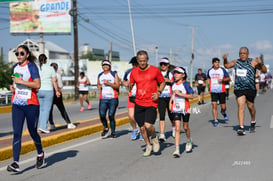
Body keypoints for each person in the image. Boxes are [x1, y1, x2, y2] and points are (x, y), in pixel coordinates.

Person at [7, 45, 45, 173]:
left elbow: (37, 84)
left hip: (31, 105)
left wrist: (21, 82)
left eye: (21, 53)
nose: (19, 56)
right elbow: (15, 83)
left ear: (27, 55)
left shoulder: (31, 67)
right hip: (17, 104)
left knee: (32, 131)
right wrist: (13, 87)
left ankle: (40, 153)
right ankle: (16, 163)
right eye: (17, 53)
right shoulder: (15, 67)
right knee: (17, 133)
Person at [223, 47, 267, 135]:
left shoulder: (253, 62)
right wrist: (225, 59)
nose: (242, 55)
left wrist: (261, 63)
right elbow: (226, 66)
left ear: (248, 54)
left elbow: (264, 71)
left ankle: (253, 121)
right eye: (240, 53)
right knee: (241, 105)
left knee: (250, 107)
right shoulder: (236, 62)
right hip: (239, 88)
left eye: (244, 53)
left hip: (250, 88)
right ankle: (241, 127)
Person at [130, 50, 165, 157]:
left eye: (144, 61)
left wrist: (158, 92)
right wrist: (129, 86)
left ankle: (154, 138)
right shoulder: (134, 72)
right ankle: (148, 145)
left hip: (151, 102)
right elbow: (131, 84)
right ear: (137, 60)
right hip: (139, 102)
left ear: (147, 60)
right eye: (140, 61)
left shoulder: (155, 70)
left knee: (148, 125)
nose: (142, 63)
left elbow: (162, 82)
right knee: (142, 128)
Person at [169, 67, 194, 157]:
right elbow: (173, 95)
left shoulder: (186, 85)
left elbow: (191, 96)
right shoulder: (173, 84)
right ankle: (177, 149)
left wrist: (181, 94)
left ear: (183, 75)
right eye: (174, 73)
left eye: (178, 73)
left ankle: (188, 141)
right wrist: (170, 103)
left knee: (185, 127)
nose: (175, 74)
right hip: (176, 109)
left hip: (185, 108)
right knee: (177, 128)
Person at [48, 63, 76, 130]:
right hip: (57, 94)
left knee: (49, 110)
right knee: (62, 109)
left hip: (49, 94)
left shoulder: (47, 75)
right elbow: (60, 85)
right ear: (56, 68)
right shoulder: (57, 75)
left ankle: (52, 124)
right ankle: (69, 123)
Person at [38, 54, 60, 133]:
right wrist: (57, 91)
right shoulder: (51, 69)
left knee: (41, 110)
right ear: (46, 60)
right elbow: (54, 81)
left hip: (39, 90)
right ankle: (43, 127)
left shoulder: (37, 68)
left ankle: (41, 127)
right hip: (48, 91)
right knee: (46, 110)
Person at [122, 56, 143, 140]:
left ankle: (142, 131)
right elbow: (123, 81)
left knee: (141, 116)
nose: (134, 66)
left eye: (136, 64)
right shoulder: (128, 72)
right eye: (133, 64)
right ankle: (135, 129)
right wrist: (126, 83)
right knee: (131, 116)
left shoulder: (144, 72)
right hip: (131, 96)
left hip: (142, 96)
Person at [97, 60, 120, 138]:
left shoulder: (113, 74)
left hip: (113, 98)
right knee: (102, 114)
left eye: (106, 65)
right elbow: (98, 84)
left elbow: (117, 86)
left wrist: (109, 84)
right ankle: (106, 128)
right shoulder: (100, 75)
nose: (105, 66)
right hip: (103, 98)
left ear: (109, 66)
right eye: (103, 65)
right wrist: (99, 86)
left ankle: (113, 132)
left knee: (111, 115)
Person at [207, 57, 230, 127]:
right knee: (214, 106)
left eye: (218, 62)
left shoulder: (222, 70)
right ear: (212, 63)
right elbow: (208, 78)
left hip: (221, 90)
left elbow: (228, 78)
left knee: (223, 107)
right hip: (213, 91)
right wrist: (208, 85)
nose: (217, 64)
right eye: (215, 62)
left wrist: (222, 80)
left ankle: (223, 112)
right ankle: (215, 120)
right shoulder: (210, 71)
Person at [158, 57, 175, 142]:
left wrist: (168, 80)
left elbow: (176, 83)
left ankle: (174, 128)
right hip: (161, 97)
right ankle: (162, 134)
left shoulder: (171, 73)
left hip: (170, 97)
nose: (163, 65)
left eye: (165, 64)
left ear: (168, 65)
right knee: (161, 115)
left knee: (171, 115)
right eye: (161, 64)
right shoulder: (158, 73)